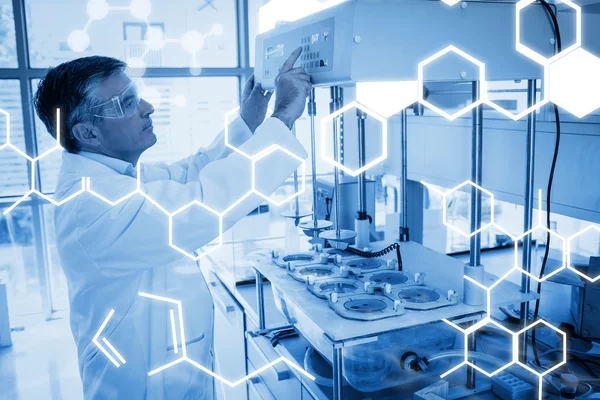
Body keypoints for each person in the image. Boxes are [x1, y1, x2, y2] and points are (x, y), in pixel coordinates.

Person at [34, 48, 311, 399]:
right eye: (127, 102)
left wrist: (250, 117)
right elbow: (205, 203)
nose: (146, 107)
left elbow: (192, 173)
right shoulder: (93, 207)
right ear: (88, 133)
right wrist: (284, 116)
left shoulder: (119, 177)